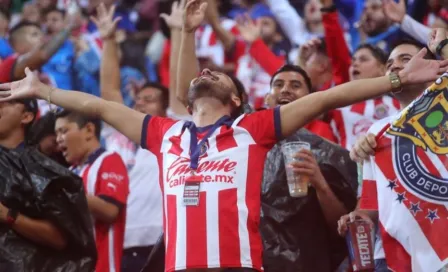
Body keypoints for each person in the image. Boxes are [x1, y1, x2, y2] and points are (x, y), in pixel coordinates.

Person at [1, 0, 448, 270]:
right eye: (203, 73)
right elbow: (99, 104)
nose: (208, 73)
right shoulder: (164, 133)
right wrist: (44, 90)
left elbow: (330, 98)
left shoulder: (251, 129)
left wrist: (397, 80)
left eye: (220, 75)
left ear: (236, 99)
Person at [338, 39, 440, 271]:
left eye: (405, 60)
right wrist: (358, 218)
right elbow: (370, 203)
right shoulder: (376, 132)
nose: (394, 67)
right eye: (390, 63)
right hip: (392, 257)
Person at [260, 64, 358, 271]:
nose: (285, 89)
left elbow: (342, 229)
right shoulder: (244, 145)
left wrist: (320, 183)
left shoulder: (331, 154)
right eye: (278, 85)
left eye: (295, 85)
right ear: (267, 99)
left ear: (311, 100)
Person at [92, 4, 165, 271]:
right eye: (138, 99)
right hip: (118, 241)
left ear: (166, 109)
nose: (140, 103)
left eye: (150, 100)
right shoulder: (117, 133)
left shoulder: (169, 135)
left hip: (161, 238)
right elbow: (110, 91)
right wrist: (109, 40)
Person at [0, 97, 96, 271]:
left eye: (8, 101)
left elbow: (60, 238)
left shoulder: (42, 171)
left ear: (26, 117)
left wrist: (9, 215)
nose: (0, 104)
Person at [54, 109, 129, 272]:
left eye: (64, 131)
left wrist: (66, 190)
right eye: (56, 134)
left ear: (89, 130)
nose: (58, 139)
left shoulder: (109, 160)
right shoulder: (71, 173)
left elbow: (110, 211)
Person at [0, 6, 79, 84]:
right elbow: (43, 55)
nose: (41, 38)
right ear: (19, 44)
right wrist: (68, 28)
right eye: (34, 34)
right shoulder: (11, 63)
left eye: (41, 34)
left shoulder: (40, 71)